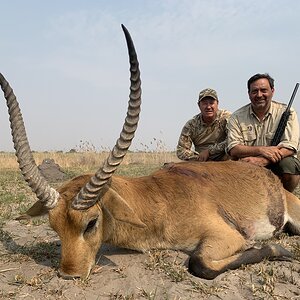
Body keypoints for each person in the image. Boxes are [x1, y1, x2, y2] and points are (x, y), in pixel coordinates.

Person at [227, 73, 300, 192]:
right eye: (254, 91)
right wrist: (261, 150)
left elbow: (290, 146)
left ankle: (287, 196)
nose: (259, 95)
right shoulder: (236, 117)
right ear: (249, 94)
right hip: (248, 164)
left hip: (277, 162)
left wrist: (264, 160)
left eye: (263, 90)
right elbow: (234, 148)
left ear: (272, 91)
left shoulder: (288, 112)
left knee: (288, 165)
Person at [176, 88, 231, 161]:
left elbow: (232, 140)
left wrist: (209, 151)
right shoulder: (191, 124)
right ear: (199, 105)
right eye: (205, 103)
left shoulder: (227, 118)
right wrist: (198, 158)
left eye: (211, 103)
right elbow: (181, 150)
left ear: (217, 104)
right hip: (201, 162)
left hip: (225, 159)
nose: (208, 107)